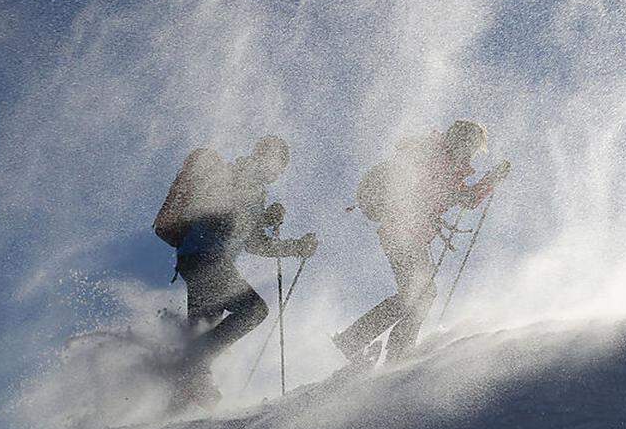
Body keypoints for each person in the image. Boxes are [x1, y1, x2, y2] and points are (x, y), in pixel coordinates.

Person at [153, 135, 317, 406]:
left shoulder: (247, 180)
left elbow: (252, 242)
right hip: (207, 258)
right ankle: (190, 367)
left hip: (196, 258)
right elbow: (232, 218)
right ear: (266, 156)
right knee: (254, 310)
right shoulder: (245, 174)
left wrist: (294, 245)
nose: (279, 171)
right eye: (278, 163)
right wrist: (270, 221)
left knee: (202, 329)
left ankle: (183, 395)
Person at [334, 120, 509, 365]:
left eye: (474, 150)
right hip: (401, 233)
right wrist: (485, 183)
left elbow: (462, 199)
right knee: (420, 294)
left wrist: (488, 181)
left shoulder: (449, 164)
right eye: (471, 147)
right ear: (460, 139)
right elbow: (435, 191)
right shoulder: (434, 156)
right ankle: (388, 351)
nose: (471, 153)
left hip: (410, 236)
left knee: (421, 295)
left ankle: (380, 347)